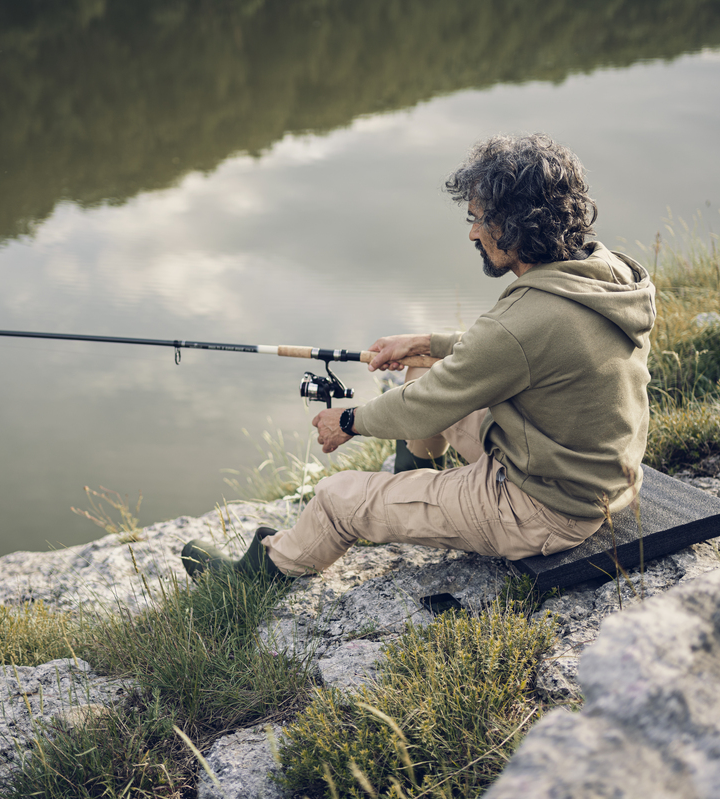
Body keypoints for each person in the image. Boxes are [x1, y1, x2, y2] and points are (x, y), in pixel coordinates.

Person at [182, 133, 657, 583]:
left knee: (335, 498)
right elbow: (517, 350)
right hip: (590, 476)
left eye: (479, 220)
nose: (473, 233)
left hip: (541, 510)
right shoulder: (603, 273)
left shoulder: (523, 322)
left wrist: (347, 421)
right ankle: (416, 480)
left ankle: (261, 573)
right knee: (422, 368)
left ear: (516, 224)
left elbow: (434, 398)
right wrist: (425, 344)